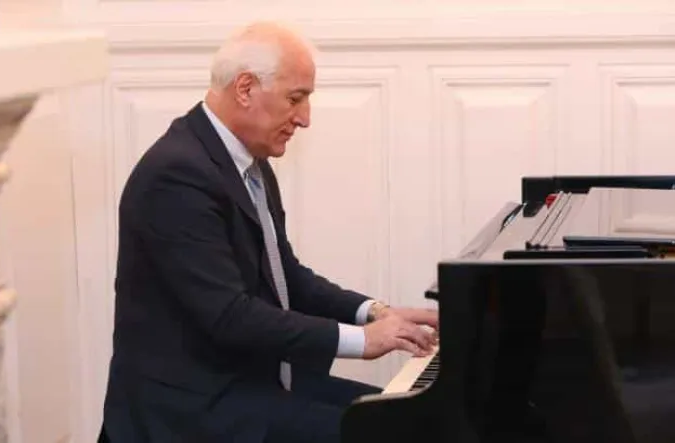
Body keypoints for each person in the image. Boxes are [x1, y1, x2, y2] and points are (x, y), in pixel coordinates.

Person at [99, 21, 439, 443]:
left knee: (406, 423)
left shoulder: (247, 160)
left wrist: (374, 312)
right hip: (192, 408)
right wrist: (362, 341)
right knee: (389, 433)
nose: (305, 118)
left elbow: (284, 275)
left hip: (250, 382)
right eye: (295, 98)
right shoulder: (177, 174)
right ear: (245, 89)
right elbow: (229, 316)